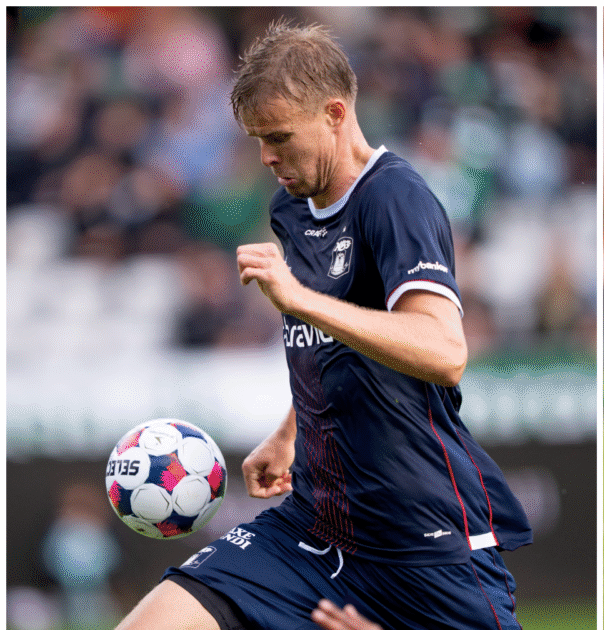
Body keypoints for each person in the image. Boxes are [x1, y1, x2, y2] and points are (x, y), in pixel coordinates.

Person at [115, 21, 532, 630]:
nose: (267, 157)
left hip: (421, 546)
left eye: (279, 136)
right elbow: (335, 344)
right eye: (258, 139)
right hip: (311, 526)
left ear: (335, 113)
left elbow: (444, 350)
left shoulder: (396, 199)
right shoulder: (291, 204)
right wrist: (290, 431)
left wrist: (299, 300)